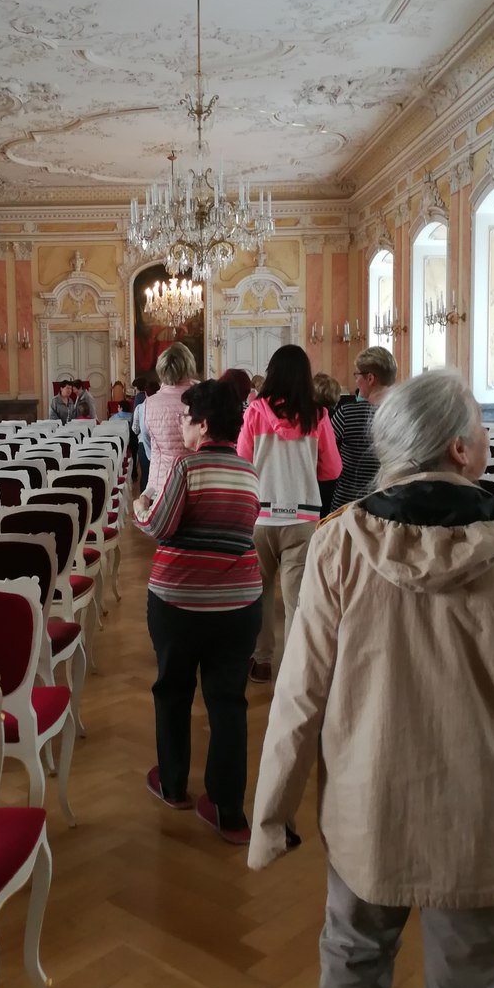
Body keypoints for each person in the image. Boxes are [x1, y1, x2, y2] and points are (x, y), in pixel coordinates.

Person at [249, 370, 494, 988]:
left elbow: (299, 695)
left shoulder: (337, 546)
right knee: (467, 987)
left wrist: (272, 814)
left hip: (367, 810)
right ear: (460, 448)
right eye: (480, 426)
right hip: (479, 819)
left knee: (353, 964)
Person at [134, 378, 263, 843]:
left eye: (186, 418)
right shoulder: (248, 471)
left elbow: (159, 526)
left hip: (179, 602)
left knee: (173, 689)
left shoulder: (187, 466)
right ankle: (228, 811)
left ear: (203, 424)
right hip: (239, 605)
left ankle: (173, 785)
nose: (181, 425)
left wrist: (140, 504)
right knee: (228, 701)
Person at [237, 346, 341, 686]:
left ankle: (262, 661)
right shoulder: (318, 415)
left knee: (261, 592)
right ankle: (296, 669)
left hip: (261, 517)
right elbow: (332, 469)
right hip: (302, 516)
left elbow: (243, 461)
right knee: (297, 598)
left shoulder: (255, 412)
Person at [329, 345, 397, 512]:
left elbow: (323, 451)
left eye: (357, 375)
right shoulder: (403, 416)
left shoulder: (347, 414)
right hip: (386, 506)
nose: (356, 380)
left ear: (370, 378)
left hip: (347, 504)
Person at [142, 343, 197, 498]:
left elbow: (147, 440)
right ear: (189, 365)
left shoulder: (149, 403)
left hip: (161, 484)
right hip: (196, 481)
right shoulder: (203, 396)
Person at [133, 378, 160, 492]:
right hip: (159, 444)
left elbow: (135, 429)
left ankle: (143, 499)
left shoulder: (140, 407)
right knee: (158, 475)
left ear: (145, 393)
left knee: (145, 474)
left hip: (143, 444)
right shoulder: (161, 407)